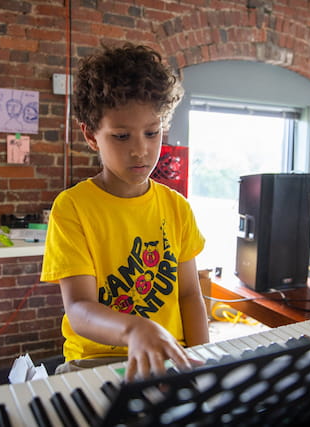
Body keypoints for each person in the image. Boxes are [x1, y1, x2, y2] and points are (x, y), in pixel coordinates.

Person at [40, 43, 209, 382]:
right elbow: (78, 310)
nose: (141, 150)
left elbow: (190, 295)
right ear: (91, 135)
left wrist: (202, 361)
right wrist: (134, 329)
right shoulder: (73, 208)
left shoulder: (176, 207)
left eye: (152, 132)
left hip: (170, 358)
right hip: (94, 364)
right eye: (121, 136)